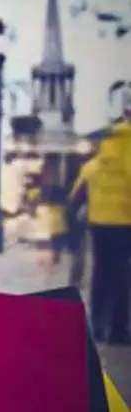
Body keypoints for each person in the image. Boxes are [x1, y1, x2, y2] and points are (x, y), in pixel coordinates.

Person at [70, 118, 131, 345]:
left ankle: (96, 326)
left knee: (101, 273)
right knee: (122, 275)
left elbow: (76, 197)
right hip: (126, 225)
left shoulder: (92, 166)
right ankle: (118, 331)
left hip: (99, 225)